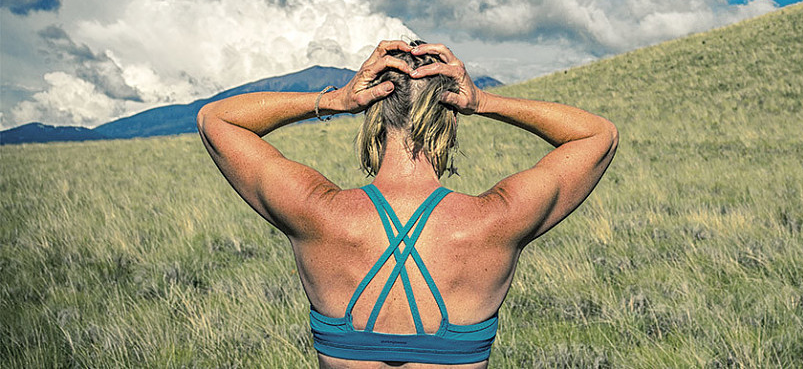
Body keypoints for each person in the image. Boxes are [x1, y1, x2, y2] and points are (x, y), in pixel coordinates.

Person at [197, 40, 618, 368]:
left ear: (373, 113)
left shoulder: (318, 213)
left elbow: (216, 119)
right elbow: (598, 135)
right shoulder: (495, 220)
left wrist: (336, 100)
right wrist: (484, 102)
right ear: (449, 118)